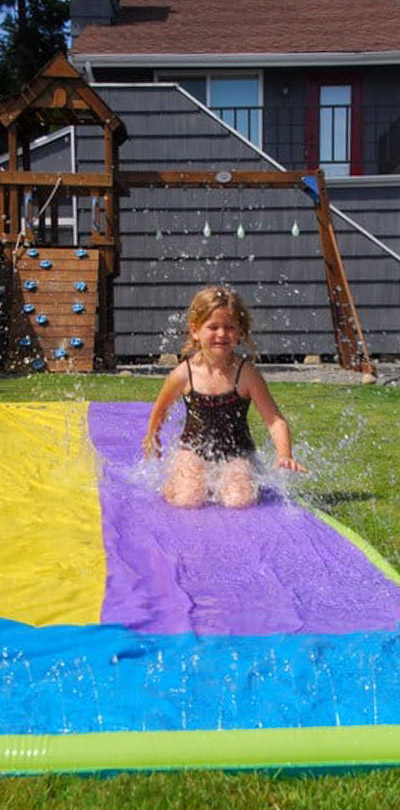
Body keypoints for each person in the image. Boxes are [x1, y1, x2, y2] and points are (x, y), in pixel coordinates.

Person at [143, 286, 307, 508]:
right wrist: (152, 438)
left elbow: (275, 420)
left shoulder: (246, 374)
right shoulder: (184, 374)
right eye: (213, 327)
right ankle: (176, 482)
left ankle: (225, 482)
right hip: (193, 449)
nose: (221, 334)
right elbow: (161, 408)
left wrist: (284, 454)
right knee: (187, 499)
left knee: (239, 501)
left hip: (237, 452)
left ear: (239, 332)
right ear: (195, 330)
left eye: (229, 327)